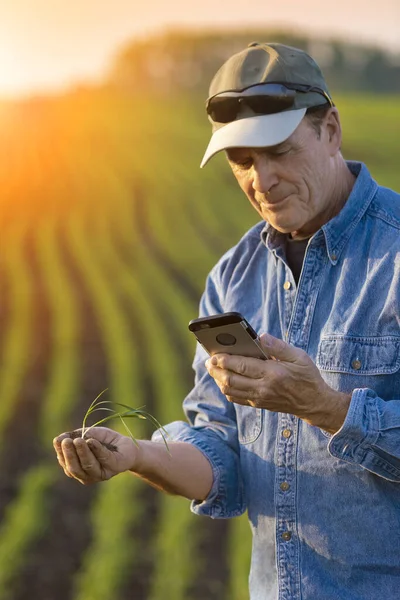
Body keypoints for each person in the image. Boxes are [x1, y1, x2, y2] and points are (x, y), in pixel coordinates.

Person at [54, 42, 400, 599]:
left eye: (280, 151)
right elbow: (223, 454)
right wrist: (139, 455)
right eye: (242, 161)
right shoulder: (232, 278)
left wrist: (328, 409)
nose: (262, 180)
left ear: (330, 130)